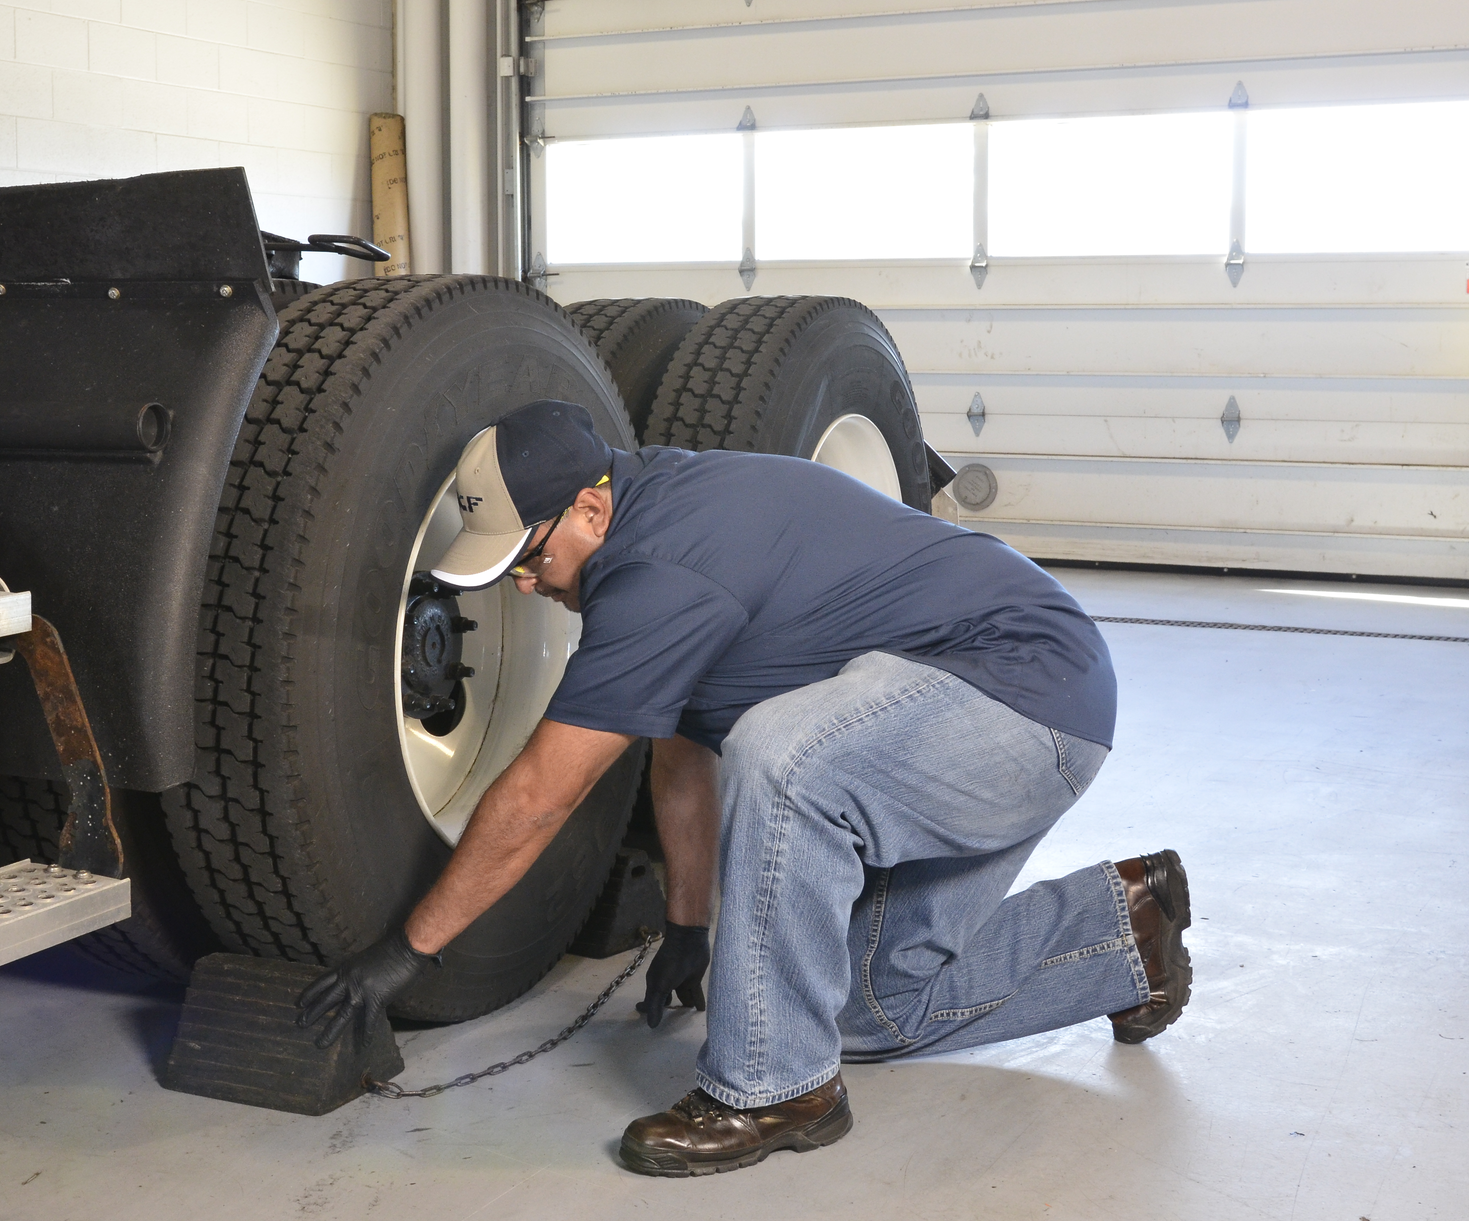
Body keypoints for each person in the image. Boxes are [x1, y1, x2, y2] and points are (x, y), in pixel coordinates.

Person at [297, 400, 1192, 1178]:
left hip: (1017, 698)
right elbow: (684, 749)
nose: (526, 583)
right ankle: (1125, 931)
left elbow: (541, 795)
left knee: (786, 755)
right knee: (865, 1009)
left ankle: (776, 1093)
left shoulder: (658, 570)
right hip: (992, 705)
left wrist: (403, 955)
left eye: (528, 557)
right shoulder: (653, 514)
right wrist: (688, 925)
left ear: (590, 506)